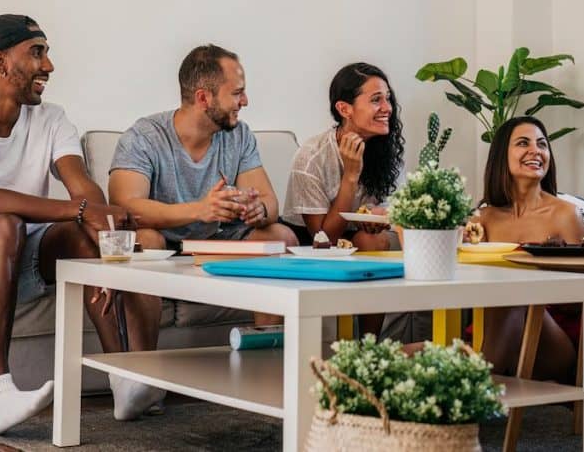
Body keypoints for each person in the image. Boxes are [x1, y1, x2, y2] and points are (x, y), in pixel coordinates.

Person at [0, 15, 161, 435]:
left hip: (18, 259)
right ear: (0, 62)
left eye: (47, 53)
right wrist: (78, 211)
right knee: (5, 224)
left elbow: (82, 188)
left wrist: (103, 244)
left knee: (77, 235)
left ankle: (123, 379)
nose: (49, 66)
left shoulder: (51, 118)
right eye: (36, 52)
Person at [109, 44, 298, 325]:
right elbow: (126, 208)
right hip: (165, 246)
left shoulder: (239, 135)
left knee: (280, 237)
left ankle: (267, 353)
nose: (245, 101)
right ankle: (134, 363)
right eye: (236, 93)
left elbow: (270, 202)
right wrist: (200, 210)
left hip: (214, 245)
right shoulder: (143, 137)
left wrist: (257, 209)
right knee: (147, 240)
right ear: (203, 98)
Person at [280, 62, 406, 338]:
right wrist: (350, 175)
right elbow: (323, 237)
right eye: (376, 100)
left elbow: (400, 206)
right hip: (311, 242)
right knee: (361, 241)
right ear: (344, 109)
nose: (387, 108)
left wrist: (382, 213)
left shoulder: (387, 150)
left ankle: (368, 346)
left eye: (388, 98)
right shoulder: (311, 156)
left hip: (362, 238)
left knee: (371, 240)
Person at [474, 116, 584, 382]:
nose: (535, 151)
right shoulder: (483, 219)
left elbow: (581, 298)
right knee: (412, 353)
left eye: (542, 144)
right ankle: (477, 376)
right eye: (523, 143)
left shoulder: (565, 215)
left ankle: (477, 382)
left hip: (552, 340)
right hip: (491, 333)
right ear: (503, 155)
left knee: (513, 294)